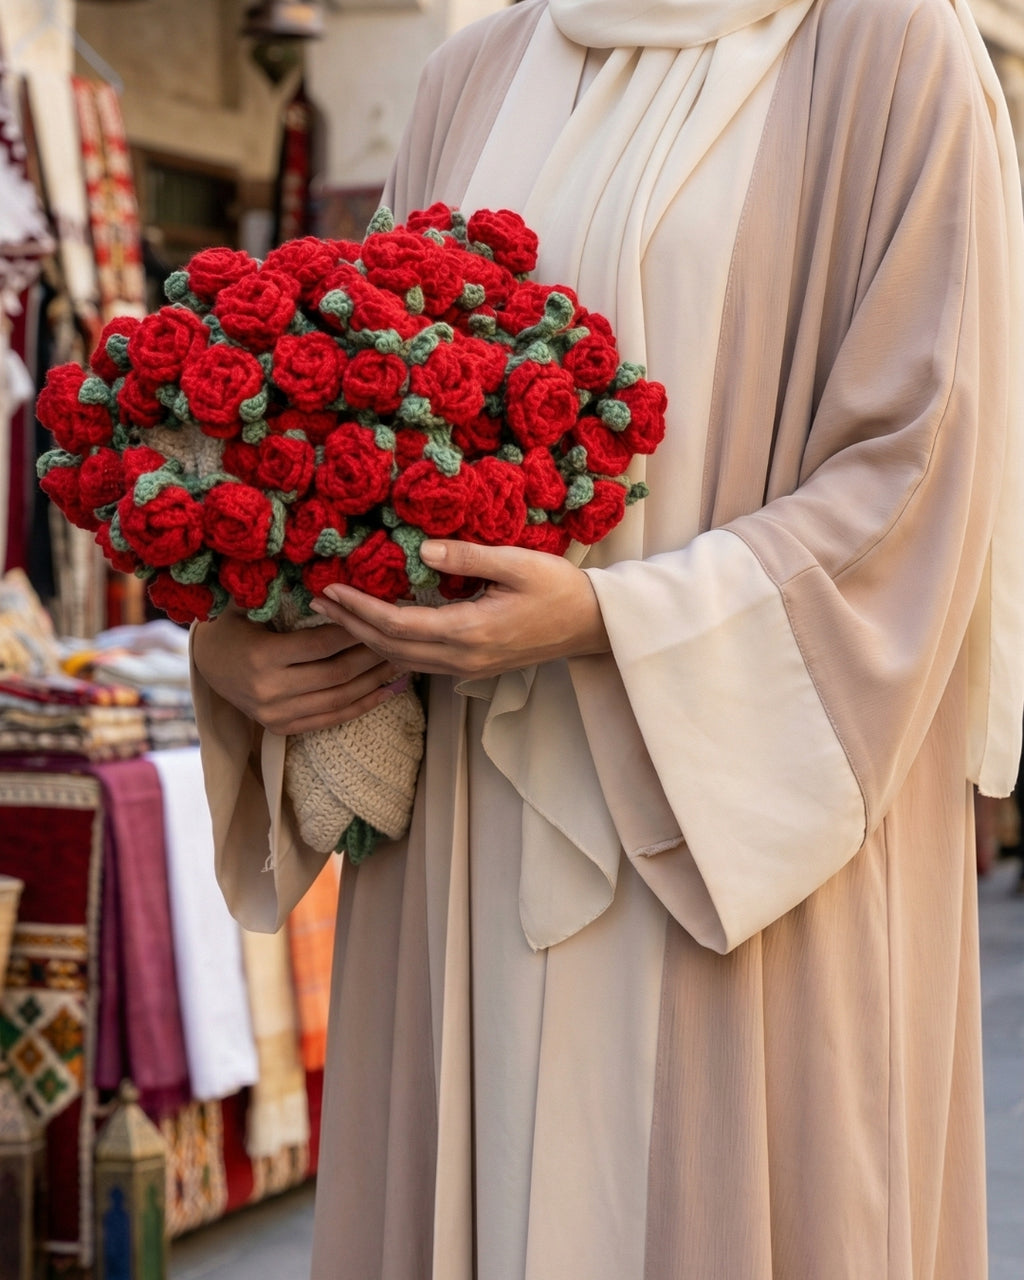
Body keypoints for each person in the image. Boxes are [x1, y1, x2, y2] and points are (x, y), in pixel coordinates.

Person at [190, 0, 1024, 1275]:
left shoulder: (890, 47)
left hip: (729, 821)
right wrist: (247, 636)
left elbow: (921, 467)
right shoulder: (470, 73)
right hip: (462, 825)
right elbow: (353, 414)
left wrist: (606, 621)